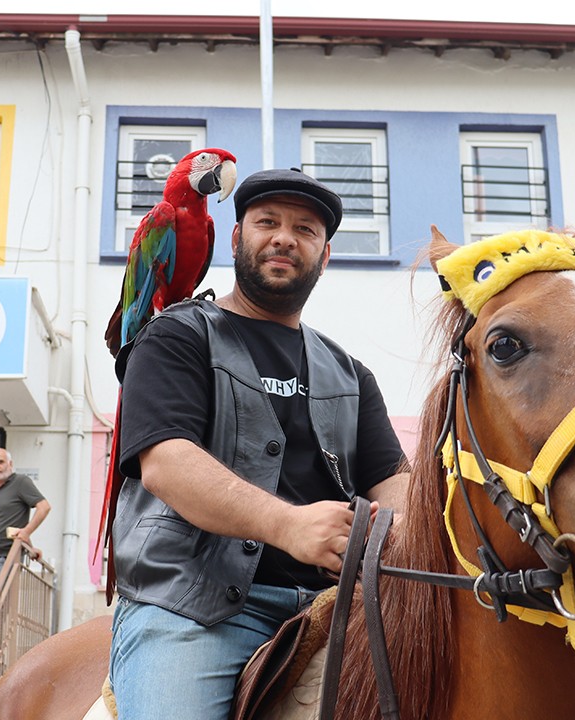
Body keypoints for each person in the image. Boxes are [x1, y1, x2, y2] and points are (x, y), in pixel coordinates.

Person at [107, 168, 409, 719]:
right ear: (234, 239)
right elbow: (167, 463)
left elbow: (394, 482)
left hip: (336, 608)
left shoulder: (352, 374)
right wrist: (289, 525)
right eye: (267, 222)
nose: (284, 238)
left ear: (325, 255)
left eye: (305, 229)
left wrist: (401, 532)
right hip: (189, 608)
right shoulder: (175, 335)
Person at [0, 448, 49, 607]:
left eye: (0, 462)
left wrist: (27, 532)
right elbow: (14, 522)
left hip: (4, 558)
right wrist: (30, 544)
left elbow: (44, 507)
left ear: (10, 464)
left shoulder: (20, 482)